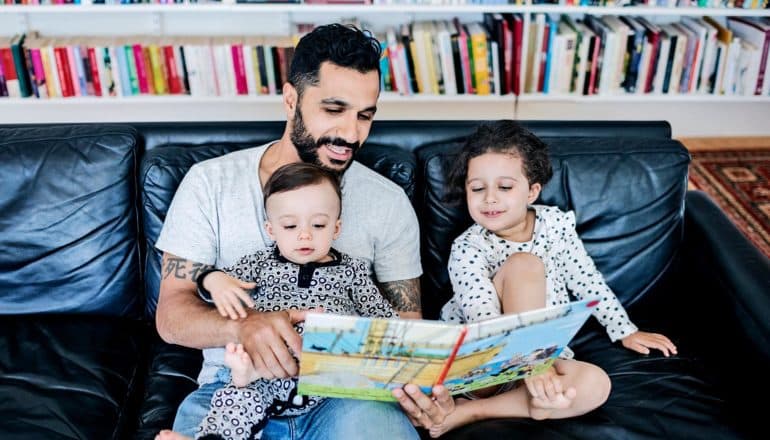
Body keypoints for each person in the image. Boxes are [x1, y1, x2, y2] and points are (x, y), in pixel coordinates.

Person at [153, 23, 453, 439]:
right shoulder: (210, 184)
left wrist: (425, 392)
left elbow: (403, 325)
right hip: (237, 388)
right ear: (291, 99)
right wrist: (242, 327)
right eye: (334, 110)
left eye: (364, 115)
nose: (351, 134)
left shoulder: (387, 202)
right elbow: (171, 316)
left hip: (349, 395)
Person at [428, 120, 678, 438]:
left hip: (540, 358)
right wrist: (527, 363)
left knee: (596, 384)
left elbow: (586, 278)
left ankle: (470, 412)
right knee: (525, 265)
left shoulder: (555, 225)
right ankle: (509, 394)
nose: (489, 199)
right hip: (484, 359)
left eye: (504, 187)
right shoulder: (468, 247)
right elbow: (482, 316)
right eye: (477, 188)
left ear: (532, 191)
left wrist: (624, 330)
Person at [162, 163, 398, 440]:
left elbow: (383, 317)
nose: (305, 234)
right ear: (271, 230)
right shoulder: (261, 262)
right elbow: (222, 286)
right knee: (239, 397)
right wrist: (212, 279)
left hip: (328, 377)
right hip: (264, 368)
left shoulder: (352, 270)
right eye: (289, 225)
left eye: (319, 224)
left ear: (336, 228)